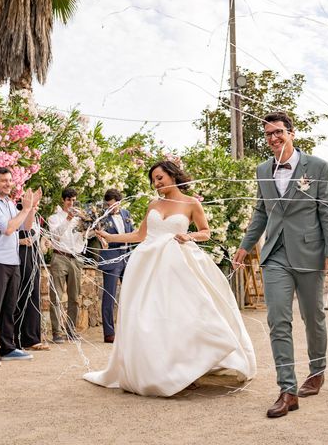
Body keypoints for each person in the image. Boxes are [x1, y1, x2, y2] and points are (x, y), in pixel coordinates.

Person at [83, 161, 256, 396]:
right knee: (150, 317)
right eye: (153, 179)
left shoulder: (191, 203)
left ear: (173, 176)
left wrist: (189, 235)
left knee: (181, 314)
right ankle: (158, 369)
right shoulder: (153, 204)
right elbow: (140, 235)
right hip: (145, 266)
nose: (157, 183)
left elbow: (206, 232)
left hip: (176, 264)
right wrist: (110, 238)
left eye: (160, 177)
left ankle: (189, 367)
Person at [233, 111, 328, 418]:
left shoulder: (317, 167)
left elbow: (327, 212)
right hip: (275, 254)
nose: (273, 138)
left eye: (278, 132)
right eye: (268, 134)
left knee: (313, 316)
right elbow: (261, 213)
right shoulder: (262, 170)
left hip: (309, 253)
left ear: (291, 133)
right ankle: (287, 390)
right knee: (278, 320)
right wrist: (244, 246)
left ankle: (317, 370)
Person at [0, 167, 41, 367]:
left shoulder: (9, 204)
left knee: (9, 307)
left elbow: (25, 227)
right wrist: (24, 209)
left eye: (10, 180)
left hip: (13, 261)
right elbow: (8, 229)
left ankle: (8, 347)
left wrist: (30, 209)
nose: (8, 184)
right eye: (3, 180)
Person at [47, 188, 86, 343]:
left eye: (74, 200)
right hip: (59, 257)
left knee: (74, 298)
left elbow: (83, 238)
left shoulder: (80, 219)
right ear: (63, 200)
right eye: (68, 200)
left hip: (76, 258)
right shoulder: (54, 218)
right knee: (56, 296)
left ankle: (71, 331)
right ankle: (57, 332)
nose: (71, 203)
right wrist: (68, 218)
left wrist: (91, 228)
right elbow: (55, 235)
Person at [98, 189, 133, 343]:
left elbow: (131, 232)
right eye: (108, 205)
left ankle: (129, 330)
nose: (110, 208)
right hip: (111, 258)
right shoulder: (102, 217)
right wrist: (102, 240)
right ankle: (109, 333)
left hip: (128, 257)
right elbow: (98, 233)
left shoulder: (126, 214)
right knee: (110, 296)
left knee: (130, 295)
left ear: (119, 202)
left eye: (113, 205)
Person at [13, 206, 49, 351]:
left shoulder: (36, 220)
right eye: (35, 204)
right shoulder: (18, 215)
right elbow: (6, 233)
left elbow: (37, 240)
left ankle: (33, 337)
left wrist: (44, 244)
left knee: (34, 295)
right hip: (22, 256)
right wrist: (20, 241)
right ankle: (21, 337)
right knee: (24, 294)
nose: (37, 206)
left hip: (34, 256)